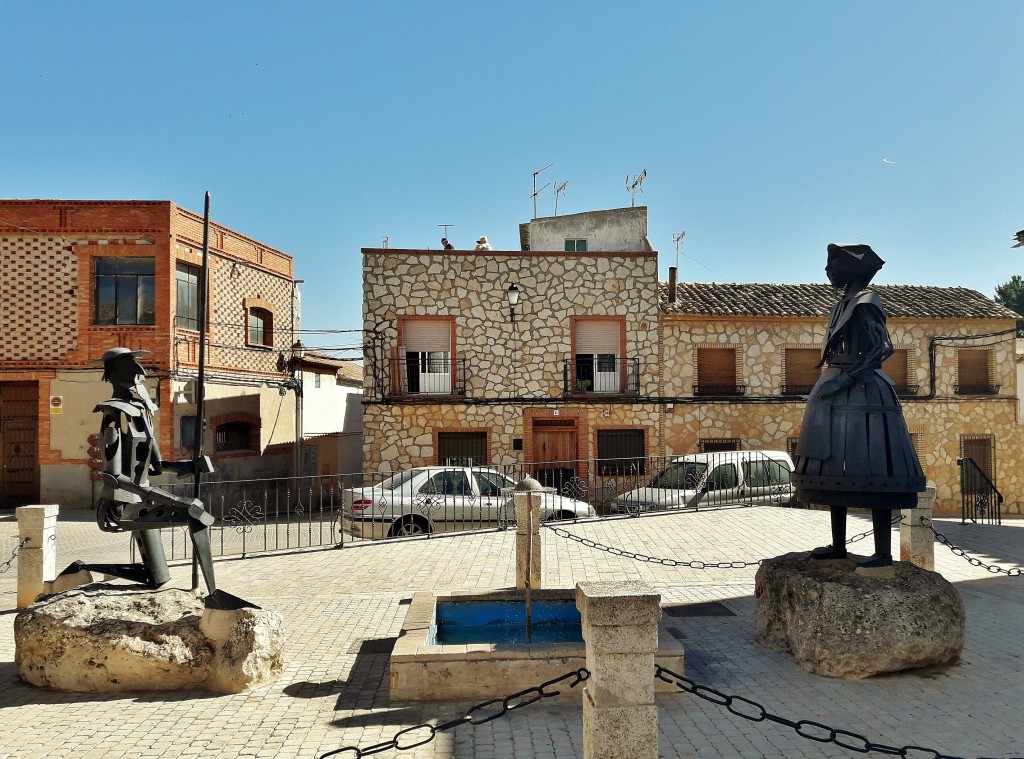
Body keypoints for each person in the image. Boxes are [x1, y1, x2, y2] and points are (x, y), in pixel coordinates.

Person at [793, 243, 925, 570]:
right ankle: (839, 546)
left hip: (865, 391)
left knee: (875, 466)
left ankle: (883, 552)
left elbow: (882, 349)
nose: (828, 270)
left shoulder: (866, 302)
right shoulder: (843, 303)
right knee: (835, 464)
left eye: (833, 264)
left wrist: (846, 378)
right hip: (837, 387)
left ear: (851, 269)